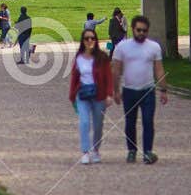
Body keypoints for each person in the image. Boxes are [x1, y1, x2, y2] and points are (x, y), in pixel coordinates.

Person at [111, 15, 166, 164]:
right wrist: (115, 91)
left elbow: (159, 69)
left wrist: (163, 89)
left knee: (148, 121)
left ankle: (147, 151)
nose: (141, 33)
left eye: (144, 30)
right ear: (133, 29)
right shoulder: (122, 47)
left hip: (147, 90)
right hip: (129, 90)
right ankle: (132, 150)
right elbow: (115, 70)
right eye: (138, 30)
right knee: (130, 122)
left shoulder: (154, 47)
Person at [69, 30, 112, 164]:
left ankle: (96, 149)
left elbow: (108, 77)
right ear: (83, 41)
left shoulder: (102, 57)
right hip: (82, 94)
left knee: (98, 124)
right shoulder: (79, 57)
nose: (89, 41)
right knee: (84, 122)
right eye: (87, 38)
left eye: (92, 38)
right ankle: (85, 151)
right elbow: (74, 78)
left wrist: (109, 94)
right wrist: (72, 95)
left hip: (99, 95)